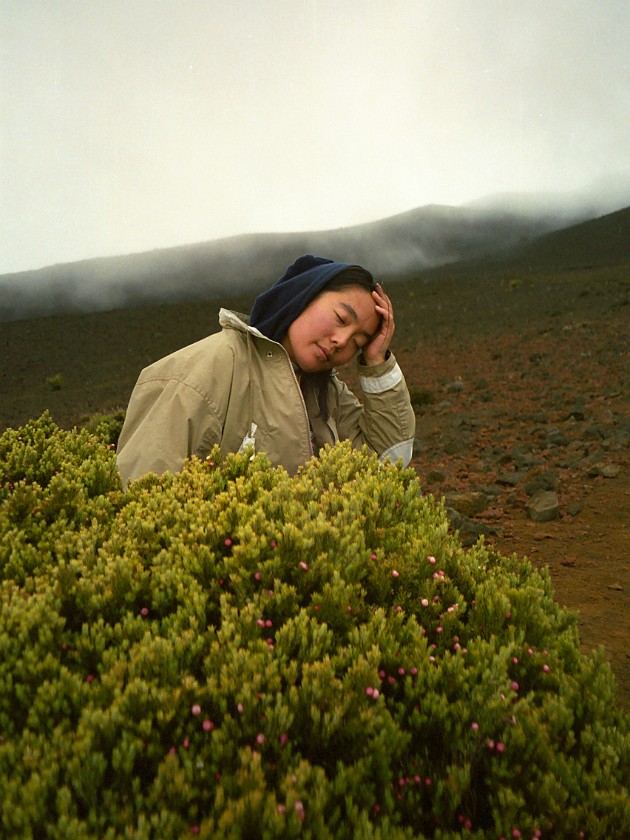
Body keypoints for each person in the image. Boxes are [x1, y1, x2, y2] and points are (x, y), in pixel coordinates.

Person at [116, 255, 415, 487]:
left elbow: (388, 464)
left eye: (358, 342)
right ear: (304, 295)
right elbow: (145, 497)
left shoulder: (326, 393)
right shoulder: (210, 367)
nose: (341, 341)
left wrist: (377, 361)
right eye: (340, 318)